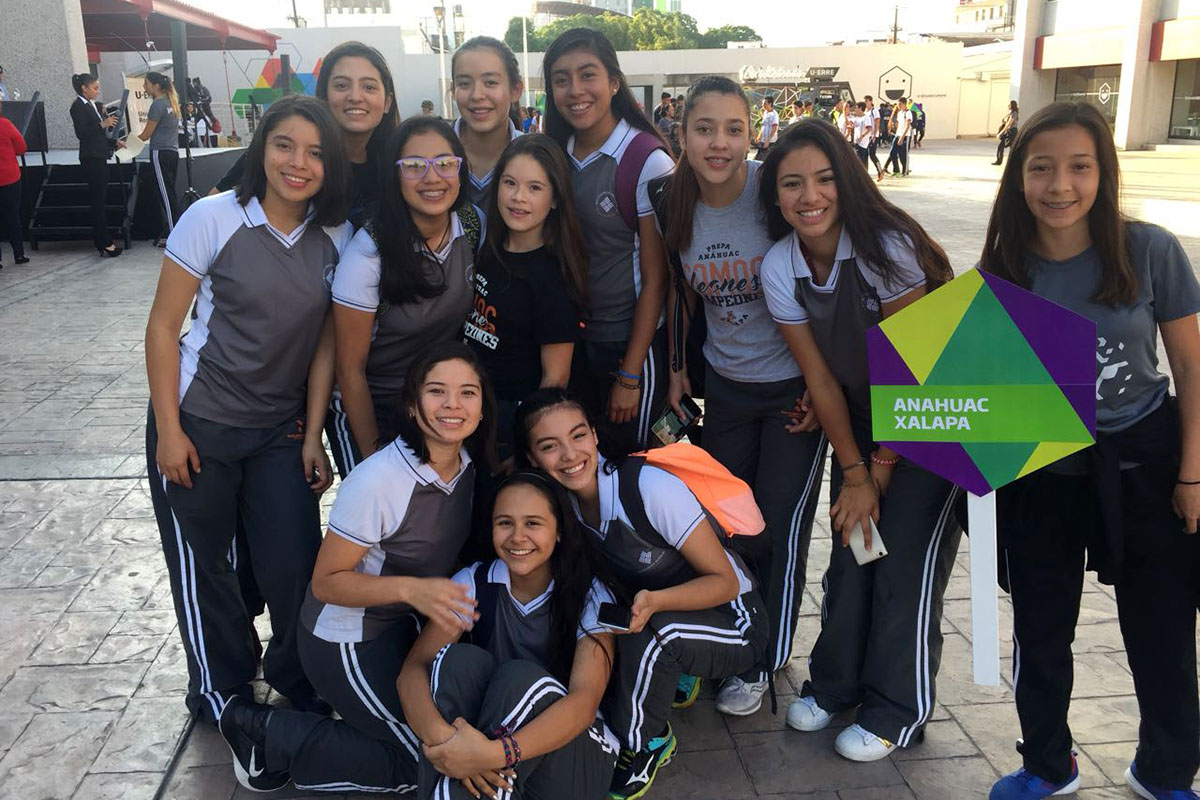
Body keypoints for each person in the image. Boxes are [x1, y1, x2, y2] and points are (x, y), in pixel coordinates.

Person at [979, 102, 1200, 800]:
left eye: (1080, 166)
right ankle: (1048, 764)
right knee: (1041, 632)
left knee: (1162, 629)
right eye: (1041, 168)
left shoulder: (1151, 250)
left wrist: (1194, 473)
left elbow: (1191, 370)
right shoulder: (1002, 269)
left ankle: (1165, 768)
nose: (1060, 186)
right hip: (1043, 472)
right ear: (1019, 179)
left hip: (1145, 466)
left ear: (1103, 172)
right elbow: (983, 391)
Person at [757, 120, 962, 762]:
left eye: (823, 179)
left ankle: (898, 709)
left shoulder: (888, 249)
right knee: (853, 552)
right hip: (863, 431)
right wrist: (853, 474)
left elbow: (913, 368)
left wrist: (880, 467)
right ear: (775, 196)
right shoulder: (778, 267)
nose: (808, 195)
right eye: (791, 183)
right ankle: (837, 683)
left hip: (933, 423)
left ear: (845, 182)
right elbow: (819, 376)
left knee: (903, 568)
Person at [144, 95, 353, 727]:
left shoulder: (336, 236)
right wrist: (171, 432)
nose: (298, 162)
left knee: (293, 564)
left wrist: (312, 435)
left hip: (277, 433)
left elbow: (324, 346)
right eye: (284, 145)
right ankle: (220, 687)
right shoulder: (213, 217)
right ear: (261, 147)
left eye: (316, 153)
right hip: (198, 423)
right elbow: (162, 329)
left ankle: (298, 676)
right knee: (210, 570)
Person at [216, 342, 496, 794]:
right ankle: (265, 733)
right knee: (425, 761)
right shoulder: (380, 480)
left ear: (483, 406)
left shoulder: (467, 464)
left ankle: (356, 722)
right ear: (411, 404)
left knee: (436, 741)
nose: (452, 405)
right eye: (437, 391)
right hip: (347, 637)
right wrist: (413, 591)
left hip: (402, 626)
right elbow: (327, 583)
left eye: (468, 393)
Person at [656, 76, 828, 717]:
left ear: (752, 133)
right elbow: (680, 291)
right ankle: (729, 639)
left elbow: (826, 274)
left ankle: (762, 660)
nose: (718, 143)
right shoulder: (671, 199)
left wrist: (822, 384)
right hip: (724, 388)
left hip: (792, 391)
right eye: (704, 129)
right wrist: (677, 369)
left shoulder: (772, 189)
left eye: (733, 128)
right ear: (683, 134)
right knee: (730, 525)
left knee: (779, 528)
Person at [513, 389, 768, 800]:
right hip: (662, 609)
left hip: (735, 617)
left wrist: (656, 602)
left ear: (595, 436)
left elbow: (725, 582)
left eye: (578, 436)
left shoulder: (648, 487)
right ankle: (673, 673)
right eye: (549, 446)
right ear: (531, 458)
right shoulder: (561, 507)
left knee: (656, 635)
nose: (569, 454)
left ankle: (645, 742)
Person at [397, 470, 620, 800]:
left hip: (576, 757)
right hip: (497, 751)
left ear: (559, 531)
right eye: (505, 523)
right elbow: (412, 671)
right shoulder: (475, 582)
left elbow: (583, 703)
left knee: (521, 678)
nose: (517, 536)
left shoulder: (590, 594)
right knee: (456, 663)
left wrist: (490, 755)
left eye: (533, 523)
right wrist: (446, 743)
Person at [542, 28, 674, 455]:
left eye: (587, 75)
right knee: (581, 464)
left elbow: (658, 279)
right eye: (561, 79)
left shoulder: (647, 160)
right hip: (573, 343)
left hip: (629, 347)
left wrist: (630, 376)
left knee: (635, 463)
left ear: (614, 83)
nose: (575, 90)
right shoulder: (553, 152)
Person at [329, 116, 481, 479]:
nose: (432, 177)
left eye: (445, 164)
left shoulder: (472, 226)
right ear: (394, 176)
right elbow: (349, 370)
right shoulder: (369, 253)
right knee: (379, 517)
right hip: (371, 404)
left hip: (437, 402)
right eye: (414, 166)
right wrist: (373, 459)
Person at [463, 134, 587, 458]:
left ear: (555, 199)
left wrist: (524, 442)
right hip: (470, 408)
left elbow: (555, 378)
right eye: (510, 183)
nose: (519, 198)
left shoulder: (552, 278)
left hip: (511, 421)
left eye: (535, 188)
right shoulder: (485, 250)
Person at [213, 41, 398, 229]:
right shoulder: (283, 153)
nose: (355, 97)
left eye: (369, 87)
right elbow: (213, 210)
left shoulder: (396, 164)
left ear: (387, 102)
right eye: (341, 86)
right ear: (324, 96)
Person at [451, 36, 524, 216]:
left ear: (515, 90)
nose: (477, 95)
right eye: (464, 83)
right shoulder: (430, 155)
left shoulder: (535, 156)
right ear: (453, 90)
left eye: (490, 82)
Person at [70, 73, 122, 257]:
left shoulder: (92, 105)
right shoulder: (77, 106)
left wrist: (114, 142)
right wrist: (103, 124)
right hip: (91, 158)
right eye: (95, 88)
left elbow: (98, 134)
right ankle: (104, 242)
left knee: (101, 199)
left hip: (99, 155)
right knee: (97, 201)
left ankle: (103, 240)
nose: (97, 91)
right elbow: (82, 133)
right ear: (84, 88)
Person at [138, 72, 180, 247]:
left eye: (146, 84)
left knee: (166, 195)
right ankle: (177, 231)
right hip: (172, 152)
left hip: (160, 152)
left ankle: (175, 236)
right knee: (170, 193)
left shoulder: (158, 104)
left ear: (156, 86)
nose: (144, 87)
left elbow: (147, 134)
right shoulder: (172, 103)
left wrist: (128, 143)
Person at [0, 96, 28, 270]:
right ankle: (19, 254)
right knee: (12, 217)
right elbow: (21, 147)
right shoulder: (6, 124)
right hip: (9, 177)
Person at [883, 96, 912, 177]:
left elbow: (907, 126)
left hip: (905, 136)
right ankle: (896, 170)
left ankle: (904, 172)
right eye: (898, 103)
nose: (898, 105)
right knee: (892, 153)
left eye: (900, 103)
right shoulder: (899, 113)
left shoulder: (908, 113)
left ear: (904, 104)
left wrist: (902, 138)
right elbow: (899, 125)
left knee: (903, 155)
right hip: (897, 134)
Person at [862, 95, 885, 182]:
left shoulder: (874, 111)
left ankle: (880, 171)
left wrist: (875, 135)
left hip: (873, 136)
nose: (866, 102)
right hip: (866, 137)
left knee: (872, 154)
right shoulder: (865, 111)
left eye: (867, 101)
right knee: (865, 155)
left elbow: (877, 123)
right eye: (865, 101)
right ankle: (865, 173)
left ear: (871, 101)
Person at [993, 100, 1019, 166]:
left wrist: (1001, 133)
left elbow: (1009, 124)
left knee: (1003, 146)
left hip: (1011, 132)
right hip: (1010, 131)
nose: (1008, 106)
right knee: (1011, 147)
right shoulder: (1011, 113)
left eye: (1009, 104)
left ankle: (1000, 161)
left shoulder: (1014, 113)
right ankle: (1014, 162)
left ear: (1012, 105)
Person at [756, 95, 778, 161]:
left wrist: (768, 140)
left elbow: (774, 127)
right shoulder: (765, 113)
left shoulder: (774, 114)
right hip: (763, 140)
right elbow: (764, 126)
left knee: (766, 161)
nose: (763, 105)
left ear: (770, 104)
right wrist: (759, 137)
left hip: (770, 142)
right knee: (758, 159)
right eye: (763, 104)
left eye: (765, 104)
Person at [851, 102, 873, 167]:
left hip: (862, 143)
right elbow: (850, 124)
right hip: (857, 142)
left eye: (856, 108)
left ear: (860, 108)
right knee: (862, 161)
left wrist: (862, 136)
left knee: (860, 161)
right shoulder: (856, 118)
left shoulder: (866, 118)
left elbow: (868, 128)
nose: (855, 109)